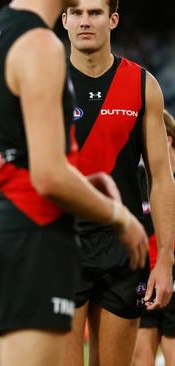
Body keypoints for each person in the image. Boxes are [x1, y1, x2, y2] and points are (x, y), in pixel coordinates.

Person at [0, 0, 149, 365]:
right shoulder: (40, 43)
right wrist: (121, 217)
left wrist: (75, 177)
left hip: (1, 230)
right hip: (36, 231)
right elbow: (48, 177)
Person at [61, 1, 175, 365]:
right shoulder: (46, 83)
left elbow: (161, 177)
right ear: (64, 20)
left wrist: (166, 262)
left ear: (113, 19)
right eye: (76, 13)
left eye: (94, 13)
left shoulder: (143, 85)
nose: (84, 21)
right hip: (62, 243)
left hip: (125, 246)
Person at [133, 109, 175, 366]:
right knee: (139, 359)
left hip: (172, 281)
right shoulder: (137, 179)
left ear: (166, 138)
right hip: (144, 283)